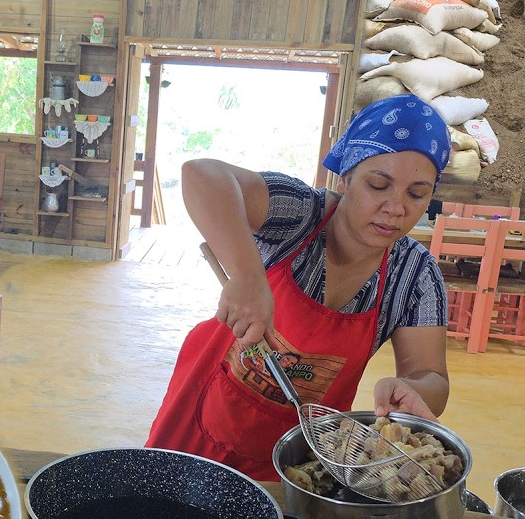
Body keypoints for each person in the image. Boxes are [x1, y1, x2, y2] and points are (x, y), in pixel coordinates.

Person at [145, 94, 452, 481]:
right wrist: (247, 276)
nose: (396, 207)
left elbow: (432, 377)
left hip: (297, 463)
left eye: (416, 193)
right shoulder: (298, 215)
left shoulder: (414, 276)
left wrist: (410, 389)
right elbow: (201, 174)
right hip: (196, 430)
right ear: (346, 178)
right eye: (378, 185)